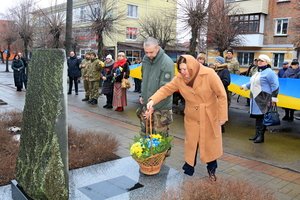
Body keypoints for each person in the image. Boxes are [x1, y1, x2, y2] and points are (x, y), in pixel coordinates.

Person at [146, 55, 228, 180]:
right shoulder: (179, 78)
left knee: (209, 144)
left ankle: (212, 170)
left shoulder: (209, 74)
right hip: (192, 116)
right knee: (191, 143)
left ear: (192, 66)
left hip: (209, 115)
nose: (183, 72)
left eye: (185, 69)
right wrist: (152, 100)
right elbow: (166, 89)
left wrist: (222, 116)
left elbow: (221, 95)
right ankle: (188, 169)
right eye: (180, 69)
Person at [137, 37, 174, 139]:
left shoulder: (167, 63)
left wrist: (153, 106)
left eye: (151, 52)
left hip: (161, 109)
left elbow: (167, 89)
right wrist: (142, 95)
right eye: (146, 52)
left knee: (159, 141)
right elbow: (144, 79)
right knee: (145, 137)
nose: (148, 55)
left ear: (157, 48)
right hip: (146, 105)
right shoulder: (145, 60)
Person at [241, 54, 279, 143]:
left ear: (266, 62)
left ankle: (261, 136)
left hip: (264, 98)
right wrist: (245, 86)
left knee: (262, 117)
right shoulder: (258, 72)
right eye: (258, 61)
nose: (259, 62)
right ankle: (257, 134)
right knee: (258, 117)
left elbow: (276, 86)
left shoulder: (270, 72)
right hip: (255, 98)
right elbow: (253, 83)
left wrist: (274, 99)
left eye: (262, 61)